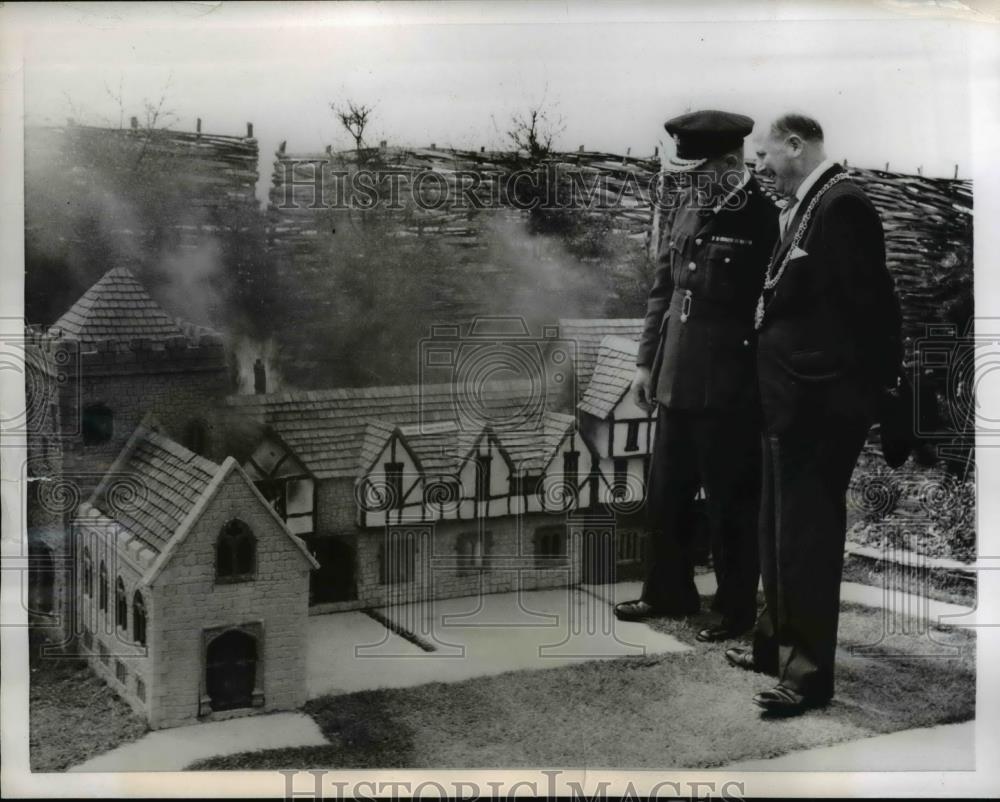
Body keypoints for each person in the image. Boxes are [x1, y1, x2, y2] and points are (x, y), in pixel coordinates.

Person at [725, 113, 903, 715]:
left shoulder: (842, 205)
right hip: (789, 406)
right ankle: (773, 648)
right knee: (776, 531)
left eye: (765, 156)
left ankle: (807, 677)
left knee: (807, 539)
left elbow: (874, 313)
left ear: (795, 146)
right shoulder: (811, 203)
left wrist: (853, 395)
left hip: (818, 411)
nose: (760, 169)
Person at [614, 110, 779, 643]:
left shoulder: (762, 218)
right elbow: (662, 291)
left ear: (732, 162)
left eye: (702, 168)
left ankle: (733, 609)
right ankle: (667, 590)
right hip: (675, 373)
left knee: (731, 499)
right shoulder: (687, 204)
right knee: (667, 493)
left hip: (729, 383)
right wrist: (645, 363)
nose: (692, 178)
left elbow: (771, 307)